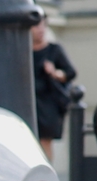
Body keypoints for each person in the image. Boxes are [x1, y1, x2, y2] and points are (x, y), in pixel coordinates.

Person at [30, 17, 82, 162]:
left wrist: (55, 73)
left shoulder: (54, 50)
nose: (40, 30)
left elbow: (70, 72)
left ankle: (47, 174)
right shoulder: (24, 51)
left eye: (43, 26)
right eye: (36, 27)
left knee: (45, 141)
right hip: (30, 100)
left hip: (48, 103)